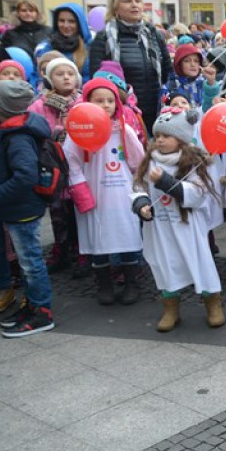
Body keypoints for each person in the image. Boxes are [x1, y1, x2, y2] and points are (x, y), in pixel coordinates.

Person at [131, 107, 224, 331]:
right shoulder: (149, 160)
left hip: (186, 226)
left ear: (181, 138)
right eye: (158, 135)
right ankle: (170, 308)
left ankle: (213, 303)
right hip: (161, 227)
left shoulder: (192, 161)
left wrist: (165, 182)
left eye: (166, 136)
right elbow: (138, 186)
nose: (160, 140)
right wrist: (142, 203)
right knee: (165, 264)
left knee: (199, 263)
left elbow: (197, 193)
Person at [64, 78, 146, 305]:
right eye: (99, 100)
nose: (106, 105)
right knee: (97, 237)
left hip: (122, 193)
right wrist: (79, 188)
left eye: (110, 100)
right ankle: (104, 283)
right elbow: (72, 160)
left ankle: (131, 281)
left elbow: (138, 161)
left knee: (126, 234)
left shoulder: (124, 130)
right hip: (94, 193)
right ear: (87, 102)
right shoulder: (78, 131)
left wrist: (138, 188)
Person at [0, 81, 56, 337]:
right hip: (16, 207)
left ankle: (42, 313)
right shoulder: (3, 130)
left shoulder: (17, 137)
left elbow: (25, 175)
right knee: (28, 261)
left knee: (31, 262)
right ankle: (31, 306)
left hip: (22, 208)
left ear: (2, 108)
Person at [88, 0, 173, 131]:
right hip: (123, 114)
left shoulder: (153, 35)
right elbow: (97, 82)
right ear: (115, 7)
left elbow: (168, 72)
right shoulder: (104, 38)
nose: (134, 5)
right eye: (127, 1)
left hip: (156, 110)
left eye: (137, 0)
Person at [28, 58, 83, 273]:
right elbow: (33, 130)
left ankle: (81, 251)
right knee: (58, 211)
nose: (66, 77)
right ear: (50, 79)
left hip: (77, 163)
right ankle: (61, 248)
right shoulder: (40, 105)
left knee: (78, 211)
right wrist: (56, 132)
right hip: (52, 164)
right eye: (60, 74)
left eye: (70, 73)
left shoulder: (82, 102)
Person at [34, 3, 91, 77]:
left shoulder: (89, 48)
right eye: (61, 21)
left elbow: (90, 77)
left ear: (80, 24)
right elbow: (37, 75)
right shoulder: (47, 48)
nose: (66, 25)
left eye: (71, 21)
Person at [160, 44, 220, 111]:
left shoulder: (204, 83)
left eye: (196, 61)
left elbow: (211, 110)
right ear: (179, 64)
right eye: (187, 61)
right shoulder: (169, 86)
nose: (193, 64)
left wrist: (211, 84)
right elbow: (163, 114)